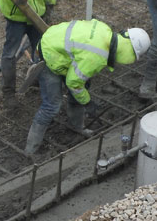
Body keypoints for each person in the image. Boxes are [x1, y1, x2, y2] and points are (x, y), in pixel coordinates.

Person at [24, 20, 150, 156]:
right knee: (52, 105)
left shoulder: (105, 30)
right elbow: (73, 83)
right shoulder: (97, 56)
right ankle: (30, 150)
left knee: (82, 87)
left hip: (58, 45)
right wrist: (88, 102)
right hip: (49, 56)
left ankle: (76, 125)